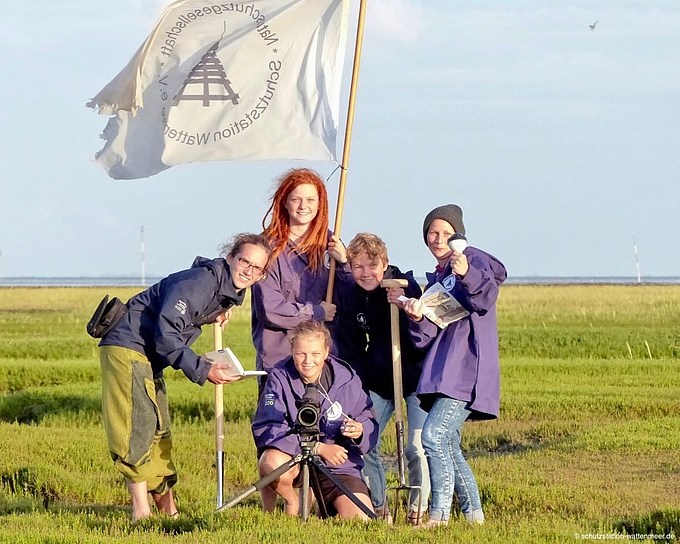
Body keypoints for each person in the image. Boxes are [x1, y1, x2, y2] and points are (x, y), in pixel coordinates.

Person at [96, 233, 271, 521]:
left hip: (149, 356)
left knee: (159, 429)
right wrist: (203, 369)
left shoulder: (224, 290)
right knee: (136, 427)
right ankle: (141, 514)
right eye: (245, 262)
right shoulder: (201, 282)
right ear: (230, 258)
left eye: (257, 268)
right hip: (127, 346)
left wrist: (217, 311)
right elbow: (166, 334)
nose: (249, 272)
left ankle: (169, 511)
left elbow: (188, 312)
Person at [401, 204, 507, 528]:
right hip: (444, 371)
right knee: (447, 442)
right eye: (433, 232)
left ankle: (438, 516)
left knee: (432, 436)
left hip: (468, 370)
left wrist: (466, 272)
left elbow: (486, 296)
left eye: (446, 233)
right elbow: (425, 338)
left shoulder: (473, 261)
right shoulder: (436, 280)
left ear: (458, 236)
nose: (438, 238)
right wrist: (415, 316)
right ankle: (475, 517)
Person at [334, 233, 430, 525]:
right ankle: (378, 506)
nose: (366, 273)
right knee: (366, 442)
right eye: (358, 267)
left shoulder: (403, 284)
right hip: (378, 380)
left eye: (372, 266)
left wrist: (401, 301)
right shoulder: (351, 297)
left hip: (416, 378)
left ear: (385, 264)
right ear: (350, 267)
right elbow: (351, 347)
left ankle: (419, 507)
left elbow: (422, 321)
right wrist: (360, 383)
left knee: (417, 446)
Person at [251, 321, 378, 519]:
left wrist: (360, 431)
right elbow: (267, 428)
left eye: (315, 354)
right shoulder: (279, 377)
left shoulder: (346, 379)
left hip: (337, 466)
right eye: (301, 353)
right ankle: (292, 502)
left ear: (326, 352)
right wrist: (316, 447)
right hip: (294, 460)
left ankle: (325, 506)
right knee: (271, 462)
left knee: (361, 521)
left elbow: (368, 419)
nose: (308, 361)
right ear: (292, 350)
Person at [250, 168, 349, 390]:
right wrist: (317, 312)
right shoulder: (266, 249)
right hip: (280, 362)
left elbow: (352, 296)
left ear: (320, 203)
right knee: (276, 424)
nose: (303, 206)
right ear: (285, 202)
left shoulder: (332, 244)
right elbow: (271, 309)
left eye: (310, 199)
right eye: (296, 199)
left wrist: (344, 263)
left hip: (323, 361)